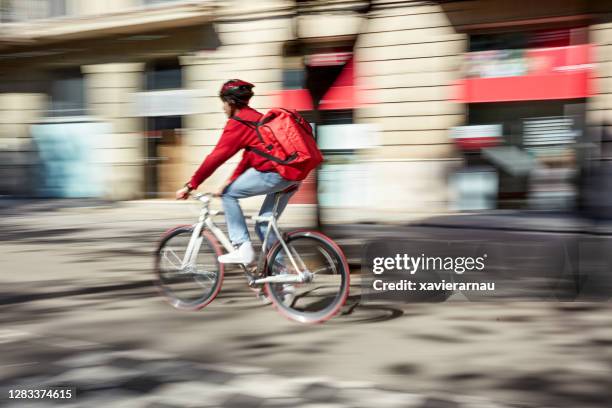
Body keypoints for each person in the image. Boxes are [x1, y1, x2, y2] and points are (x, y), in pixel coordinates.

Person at [175, 79, 299, 265]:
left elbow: (216, 157)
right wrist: (231, 180)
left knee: (229, 195)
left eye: (223, 103)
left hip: (274, 174)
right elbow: (249, 157)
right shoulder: (257, 119)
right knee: (264, 225)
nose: (223, 108)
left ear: (231, 103)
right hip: (292, 175)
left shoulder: (238, 123)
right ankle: (282, 282)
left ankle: (242, 247)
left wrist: (191, 184)